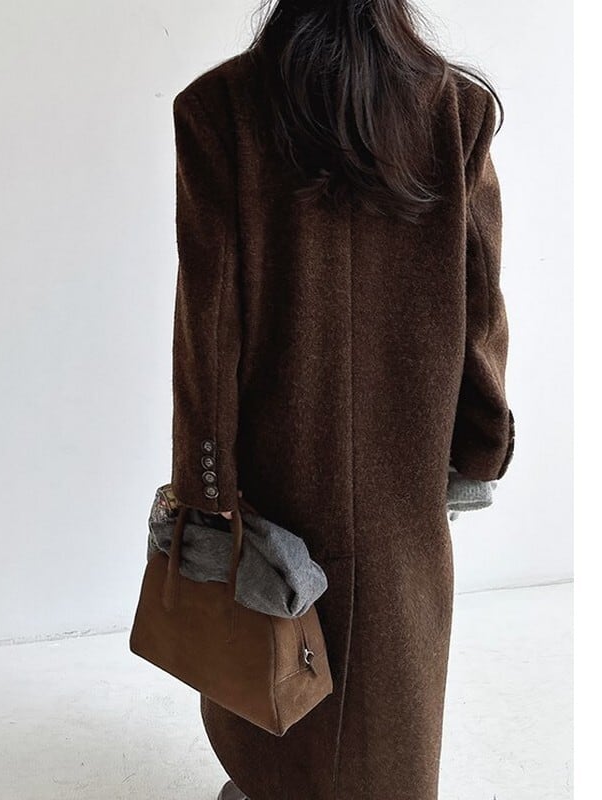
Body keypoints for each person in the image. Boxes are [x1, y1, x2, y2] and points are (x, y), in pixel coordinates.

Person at [167, 1, 515, 798]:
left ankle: (271, 783)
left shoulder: (219, 108)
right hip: (406, 463)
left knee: (273, 625)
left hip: (279, 454)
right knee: (396, 652)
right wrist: (480, 441)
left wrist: (207, 489)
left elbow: (208, 322)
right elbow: (481, 299)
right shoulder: (454, 109)